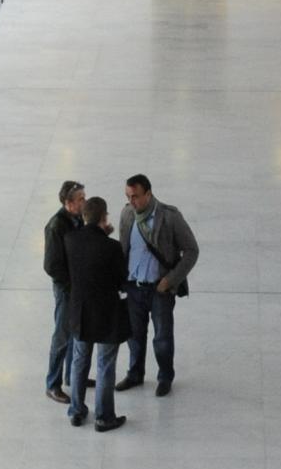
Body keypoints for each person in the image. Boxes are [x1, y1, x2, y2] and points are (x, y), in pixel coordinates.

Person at [116, 173, 199, 398]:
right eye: (128, 196)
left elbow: (191, 250)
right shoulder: (126, 214)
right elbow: (123, 250)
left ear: (149, 194)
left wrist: (170, 280)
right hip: (134, 287)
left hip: (159, 289)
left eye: (135, 197)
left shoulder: (170, 217)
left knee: (162, 337)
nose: (131, 201)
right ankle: (135, 374)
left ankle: (165, 377)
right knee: (134, 335)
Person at [64, 196, 128, 432]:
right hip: (106, 315)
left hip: (80, 313)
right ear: (104, 218)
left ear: (83, 216)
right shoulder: (111, 247)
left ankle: (76, 410)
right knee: (105, 366)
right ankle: (104, 417)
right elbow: (121, 279)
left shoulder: (70, 240)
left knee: (80, 362)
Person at [43, 181, 85, 403]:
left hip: (76, 287)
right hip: (66, 289)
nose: (84, 202)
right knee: (62, 335)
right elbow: (51, 266)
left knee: (75, 331)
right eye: (80, 199)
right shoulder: (56, 226)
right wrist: (71, 285)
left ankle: (73, 376)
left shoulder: (77, 220)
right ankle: (53, 384)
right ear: (68, 203)